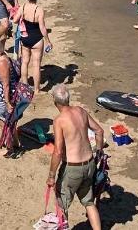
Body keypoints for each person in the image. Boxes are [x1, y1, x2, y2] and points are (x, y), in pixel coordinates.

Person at [47, 84, 104, 230]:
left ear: (55, 101)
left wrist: (52, 175)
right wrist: (99, 153)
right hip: (89, 164)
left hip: (72, 168)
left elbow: (58, 151)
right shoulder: (80, 111)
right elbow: (99, 131)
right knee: (89, 202)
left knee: (62, 206)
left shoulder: (59, 120)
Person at [14, 0, 52, 91]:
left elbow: (15, 20)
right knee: (36, 65)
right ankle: (36, 90)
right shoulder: (39, 10)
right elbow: (42, 28)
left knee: (25, 62)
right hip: (36, 39)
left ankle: (25, 86)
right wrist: (48, 41)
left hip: (25, 38)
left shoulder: (23, 7)